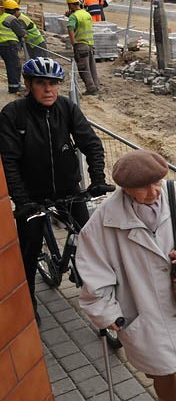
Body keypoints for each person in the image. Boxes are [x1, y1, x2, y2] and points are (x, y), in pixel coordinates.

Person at [76, 150, 176, 401]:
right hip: (144, 308)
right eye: (143, 188)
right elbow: (93, 272)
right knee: (164, 371)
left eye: (157, 183)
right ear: (124, 189)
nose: (154, 192)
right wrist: (107, 313)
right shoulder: (104, 223)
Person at [0, 57, 113, 324]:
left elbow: (91, 144)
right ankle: (29, 303)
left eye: (53, 84)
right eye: (41, 83)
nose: (49, 89)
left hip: (69, 190)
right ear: (28, 84)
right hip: (32, 197)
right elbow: (10, 162)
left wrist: (96, 178)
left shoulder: (67, 108)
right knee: (27, 254)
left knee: (90, 241)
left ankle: (96, 290)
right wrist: (22, 200)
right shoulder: (12, 114)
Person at [65, 0, 100, 95]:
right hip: (90, 45)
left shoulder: (73, 16)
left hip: (80, 45)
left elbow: (70, 28)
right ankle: (96, 86)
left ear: (71, 5)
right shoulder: (86, 14)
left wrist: (73, 42)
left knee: (84, 69)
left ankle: (91, 89)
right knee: (92, 68)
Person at [0, 0, 26, 93]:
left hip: (2, 45)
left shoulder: (1, 17)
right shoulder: (11, 18)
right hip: (9, 45)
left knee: (10, 65)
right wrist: (24, 35)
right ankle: (14, 87)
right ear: (14, 11)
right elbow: (21, 32)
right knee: (14, 66)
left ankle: (14, 85)